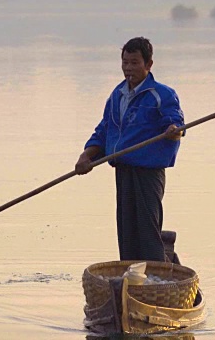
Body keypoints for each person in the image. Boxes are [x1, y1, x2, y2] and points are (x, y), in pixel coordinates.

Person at [75, 37, 184, 262]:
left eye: (134, 63)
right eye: (125, 63)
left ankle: (159, 277)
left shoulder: (161, 94)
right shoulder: (117, 95)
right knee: (127, 231)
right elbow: (105, 130)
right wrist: (86, 155)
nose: (128, 68)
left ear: (148, 65)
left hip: (148, 172)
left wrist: (174, 130)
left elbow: (175, 123)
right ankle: (132, 277)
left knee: (147, 228)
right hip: (123, 169)